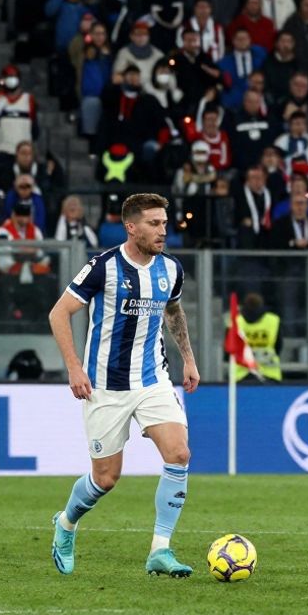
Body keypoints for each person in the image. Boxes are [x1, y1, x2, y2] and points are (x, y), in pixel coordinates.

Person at [46, 193, 200, 577]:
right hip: (106, 387)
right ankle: (66, 524)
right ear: (131, 227)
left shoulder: (170, 269)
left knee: (179, 454)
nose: (162, 231)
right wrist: (74, 367)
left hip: (153, 379)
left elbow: (173, 311)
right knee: (105, 478)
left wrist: (190, 359)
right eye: (153, 223)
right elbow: (59, 313)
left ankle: (160, 550)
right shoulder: (104, 267)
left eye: (164, 223)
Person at [229, 292, 282, 382]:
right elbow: (279, 346)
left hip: (241, 376)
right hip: (270, 374)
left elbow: (228, 351)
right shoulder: (273, 320)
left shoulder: (236, 321)